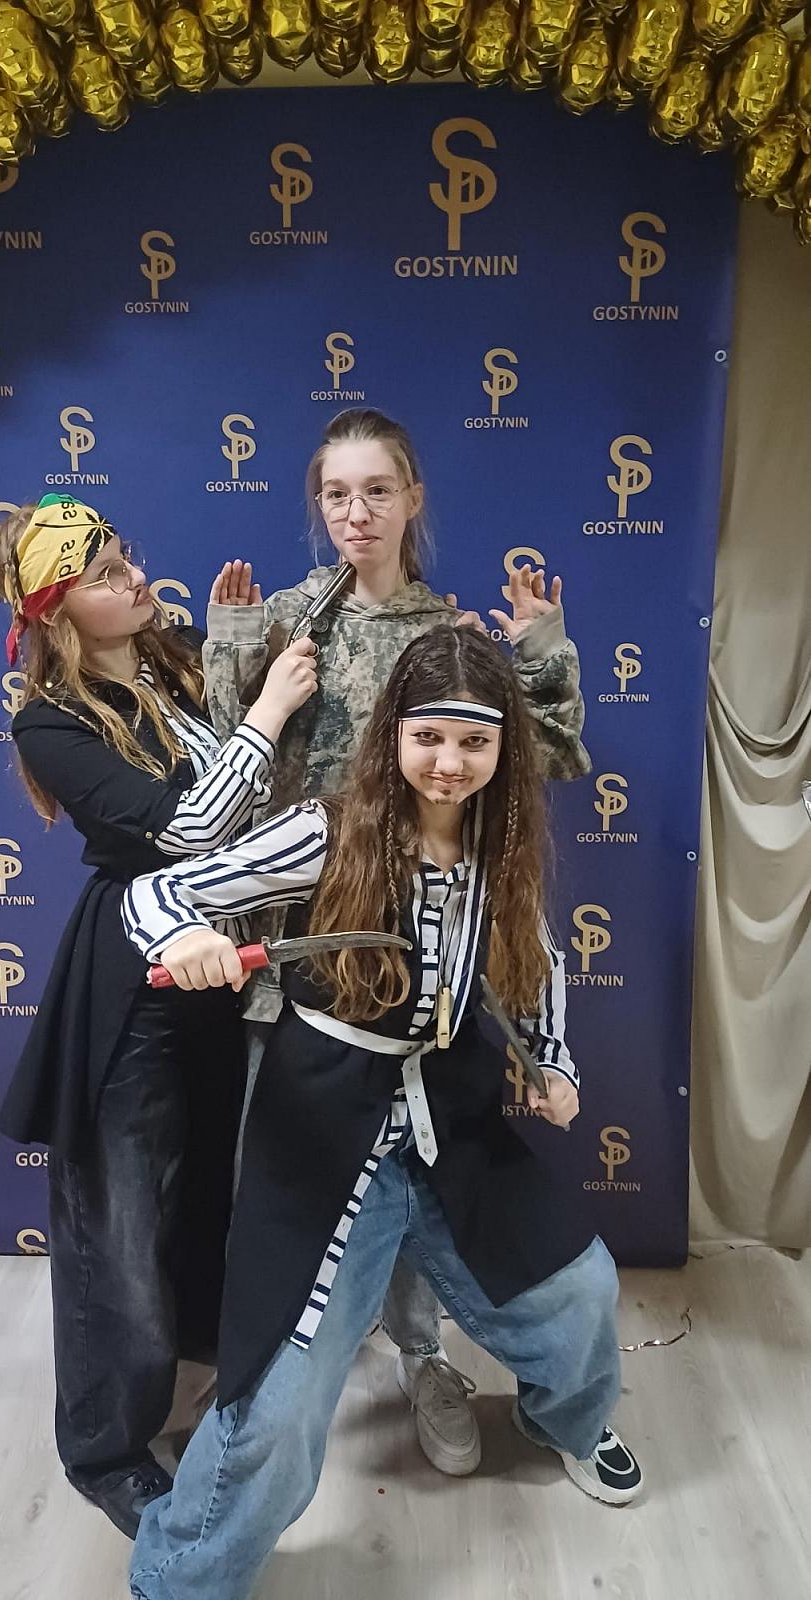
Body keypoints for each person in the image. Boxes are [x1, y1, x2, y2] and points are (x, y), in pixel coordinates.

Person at [121, 625, 643, 1600]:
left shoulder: (501, 848)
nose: (449, 764)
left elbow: (534, 964)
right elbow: (160, 890)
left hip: (455, 1121)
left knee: (581, 1293)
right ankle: (179, 1576)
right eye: (429, 737)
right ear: (394, 733)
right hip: (322, 1131)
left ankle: (561, 1419)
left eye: (474, 743)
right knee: (275, 1404)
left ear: (503, 748)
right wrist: (185, 937)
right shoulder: (325, 831)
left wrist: (551, 1062)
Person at [204, 406, 591, 1476]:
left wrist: (541, 653)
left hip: (418, 958)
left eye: (378, 490)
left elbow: (549, 755)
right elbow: (224, 769)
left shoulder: (447, 633)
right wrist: (237, 653)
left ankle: (425, 1358)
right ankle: (267, 1396)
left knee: (421, 1172)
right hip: (300, 954)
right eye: (336, 494)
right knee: (286, 1183)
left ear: (413, 499)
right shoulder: (288, 619)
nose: (357, 513)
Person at [0, 493, 317, 1538]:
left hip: (221, 974)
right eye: (101, 574)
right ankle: (105, 1449)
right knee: (117, 1228)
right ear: (56, 612)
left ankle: (194, 1370)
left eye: (125, 555)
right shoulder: (47, 722)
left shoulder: (175, 664)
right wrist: (267, 711)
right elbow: (190, 827)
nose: (133, 576)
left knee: (203, 1191)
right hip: (130, 979)